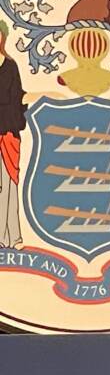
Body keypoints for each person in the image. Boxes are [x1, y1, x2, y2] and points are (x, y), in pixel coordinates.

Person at [0, 21, 26, 249]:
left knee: (9, 186)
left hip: (7, 134)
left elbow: (18, 97)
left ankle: (13, 236)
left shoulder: (11, 66)